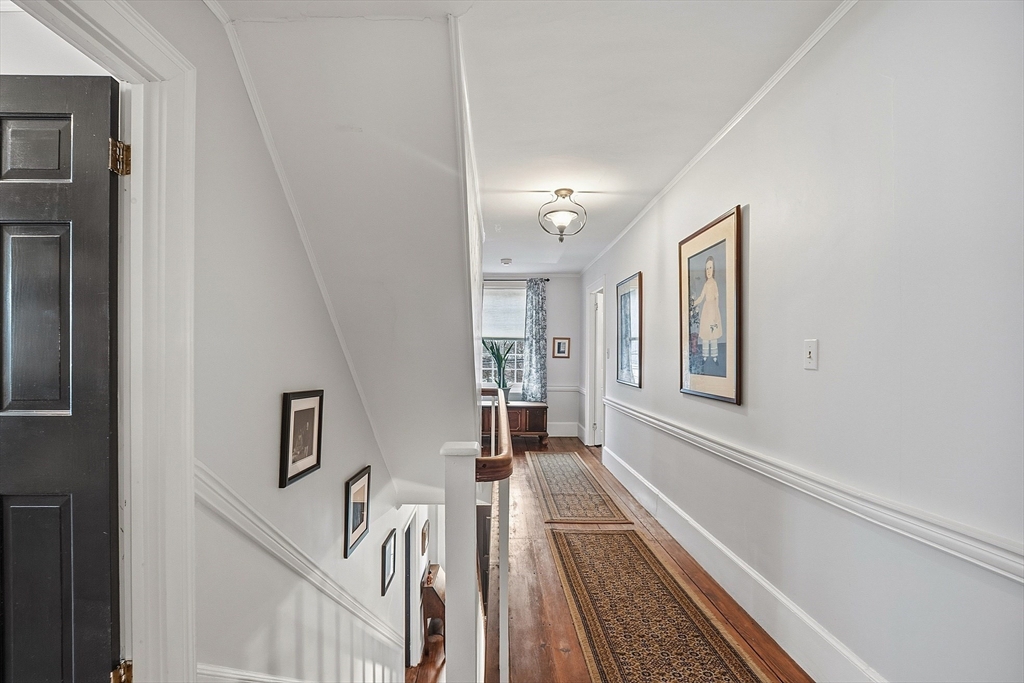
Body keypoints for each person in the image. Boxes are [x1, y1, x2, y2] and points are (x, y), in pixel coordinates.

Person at [692, 255, 723, 363]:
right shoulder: (706, 284)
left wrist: (715, 312)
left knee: (713, 334)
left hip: (712, 309)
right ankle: (705, 355)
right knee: (705, 334)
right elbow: (701, 296)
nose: (708, 271)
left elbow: (717, 297)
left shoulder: (714, 283)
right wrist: (693, 303)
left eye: (710, 268)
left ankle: (714, 356)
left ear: (713, 269)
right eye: (707, 268)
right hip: (706, 310)